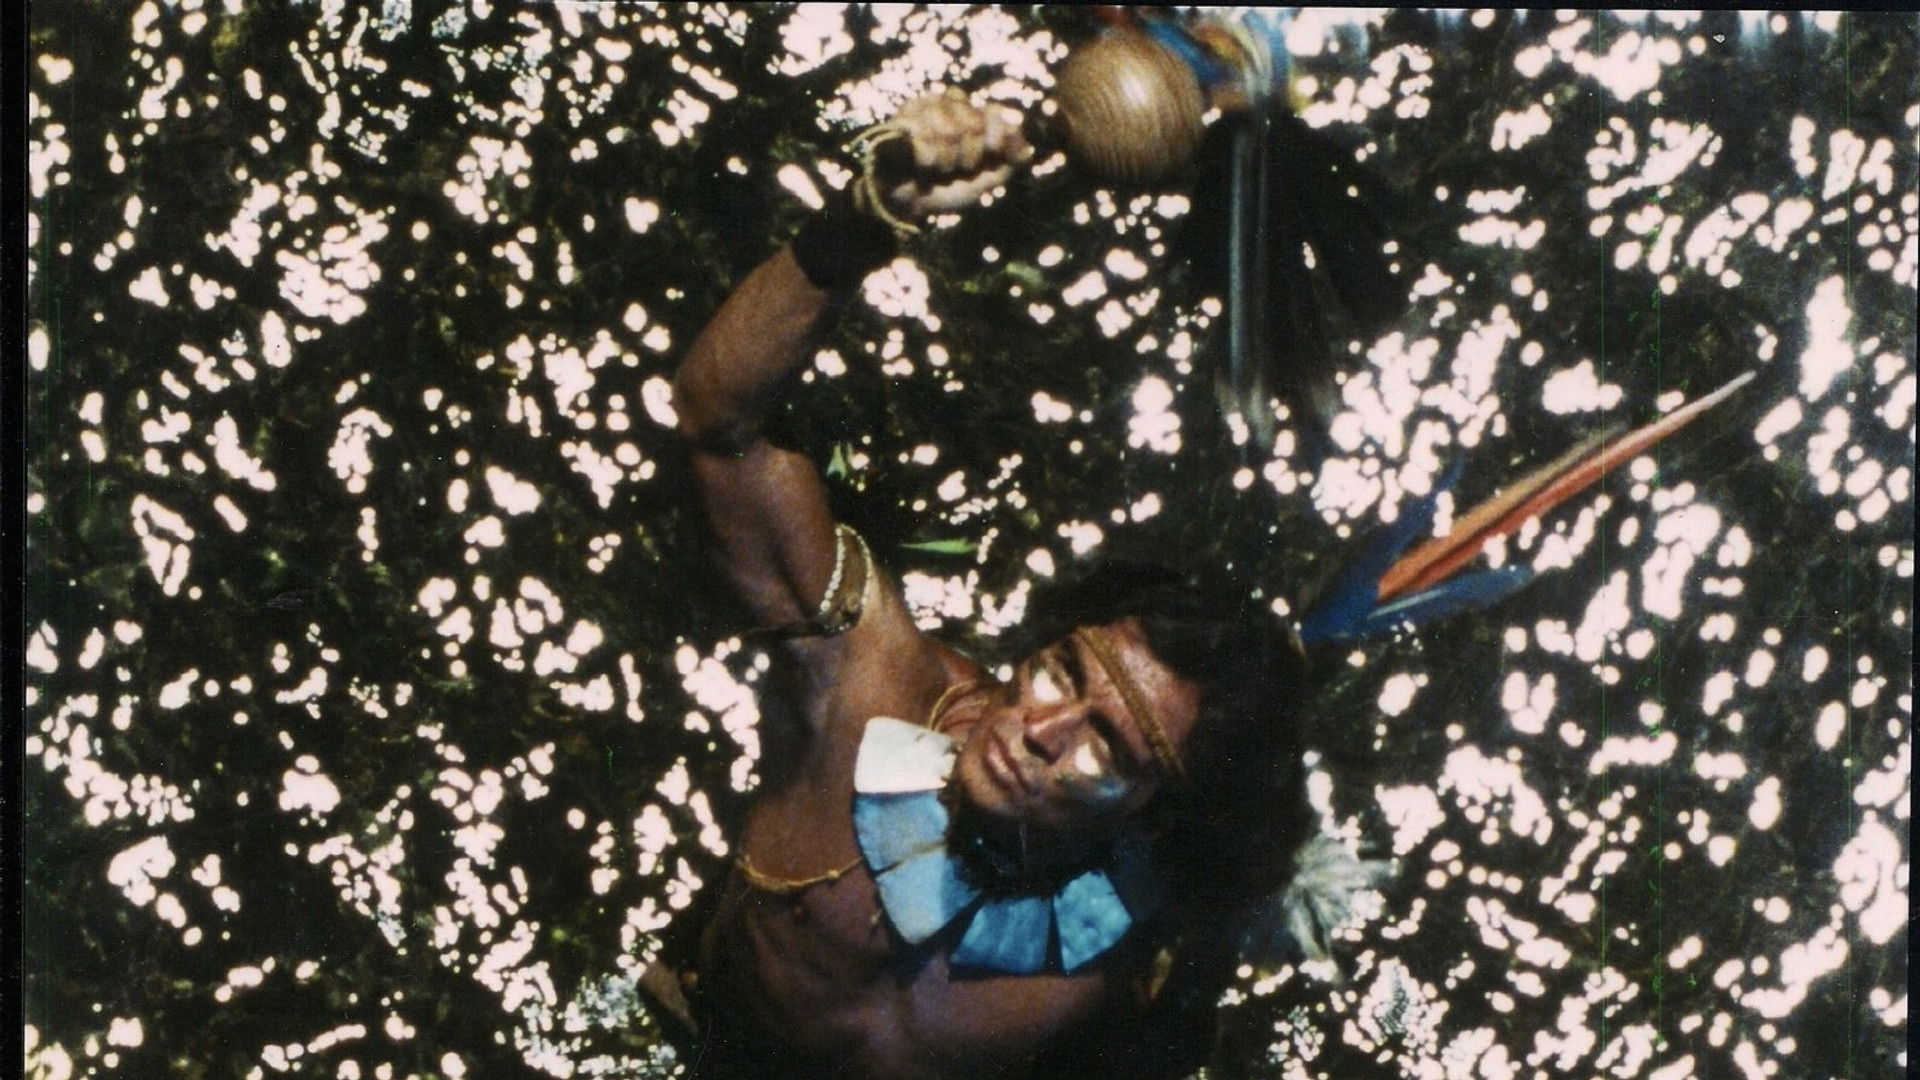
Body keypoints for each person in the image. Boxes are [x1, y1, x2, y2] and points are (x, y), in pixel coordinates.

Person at [663, 91, 1315, 1080]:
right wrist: (860, 224)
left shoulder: (1136, 945)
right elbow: (717, 420)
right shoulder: (860, 683)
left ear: (1150, 814)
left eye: (1109, 744)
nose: (1040, 732)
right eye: (1063, 673)